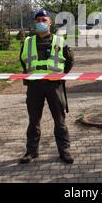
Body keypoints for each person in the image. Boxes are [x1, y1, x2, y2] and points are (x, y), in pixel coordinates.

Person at [19, 10, 75, 164]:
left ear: (50, 22)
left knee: (59, 120)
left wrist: (59, 77)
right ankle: (31, 152)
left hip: (54, 86)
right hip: (34, 87)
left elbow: (69, 61)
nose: (41, 22)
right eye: (38, 20)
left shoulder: (60, 41)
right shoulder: (28, 42)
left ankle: (64, 151)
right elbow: (23, 61)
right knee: (33, 121)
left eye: (44, 19)